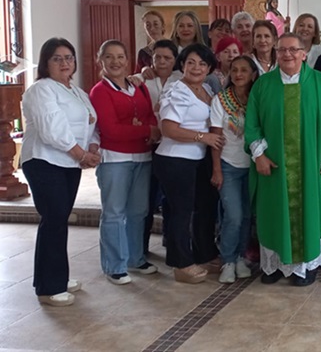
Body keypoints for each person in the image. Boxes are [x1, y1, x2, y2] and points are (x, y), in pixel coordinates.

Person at [246, 33, 321, 286]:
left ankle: (306, 267)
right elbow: (252, 123)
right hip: (274, 167)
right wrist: (259, 155)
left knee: (310, 213)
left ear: (304, 54)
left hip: (310, 166)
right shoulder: (263, 84)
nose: (288, 54)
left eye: (293, 50)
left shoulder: (319, 82)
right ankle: (273, 266)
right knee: (273, 214)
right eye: (282, 50)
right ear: (276, 53)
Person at [20, 38, 100, 306]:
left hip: (69, 163)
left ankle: (56, 277)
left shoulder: (76, 91)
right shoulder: (41, 89)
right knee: (53, 218)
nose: (64, 63)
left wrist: (92, 147)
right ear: (46, 62)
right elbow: (52, 128)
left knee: (59, 219)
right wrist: (81, 154)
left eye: (69, 57)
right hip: (44, 161)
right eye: (57, 58)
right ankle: (48, 287)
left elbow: (91, 123)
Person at [90, 40, 160, 285]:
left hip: (143, 157)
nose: (115, 62)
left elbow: (150, 115)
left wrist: (147, 129)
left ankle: (134, 258)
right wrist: (145, 130)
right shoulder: (100, 91)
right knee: (114, 213)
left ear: (128, 60)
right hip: (115, 159)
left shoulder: (137, 86)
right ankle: (114, 265)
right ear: (100, 61)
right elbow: (110, 130)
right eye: (109, 57)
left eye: (120, 56)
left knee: (138, 211)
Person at [154, 44, 224, 284]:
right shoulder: (178, 90)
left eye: (202, 64)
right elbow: (168, 128)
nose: (196, 68)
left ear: (209, 68)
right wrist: (203, 137)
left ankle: (204, 254)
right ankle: (181, 263)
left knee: (203, 207)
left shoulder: (205, 89)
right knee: (180, 211)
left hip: (197, 159)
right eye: (191, 62)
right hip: (175, 159)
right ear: (182, 65)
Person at [210, 56, 258, 284]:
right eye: (235, 70)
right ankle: (227, 260)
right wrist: (217, 169)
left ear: (253, 74)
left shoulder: (258, 98)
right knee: (234, 216)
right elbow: (216, 138)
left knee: (247, 216)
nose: (239, 74)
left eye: (244, 70)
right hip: (228, 165)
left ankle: (240, 257)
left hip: (253, 166)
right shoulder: (220, 100)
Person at [139, 39, 180, 255]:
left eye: (167, 58)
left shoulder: (181, 79)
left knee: (171, 199)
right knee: (147, 198)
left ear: (175, 60)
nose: (162, 62)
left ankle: (171, 243)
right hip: (148, 145)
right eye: (158, 57)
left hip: (174, 146)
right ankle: (141, 247)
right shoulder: (141, 80)